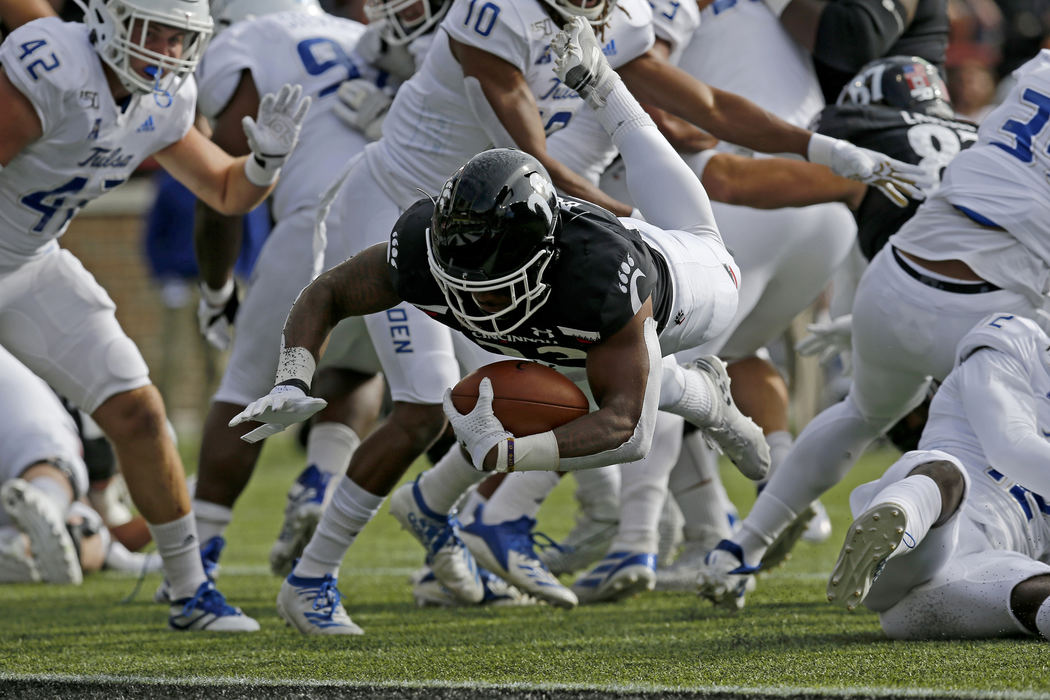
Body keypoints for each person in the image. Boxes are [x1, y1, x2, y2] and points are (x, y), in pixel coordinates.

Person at [233, 15, 778, 629]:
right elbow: (329, 291)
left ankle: (716, 406)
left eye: (491, 289)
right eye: (459, 282)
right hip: (568, 312)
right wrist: (291, 377)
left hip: (691, 281)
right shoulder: (428, 247)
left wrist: (518, 453)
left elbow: (630, 431)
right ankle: (401, 525)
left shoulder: (599, 280)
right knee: (499, 396)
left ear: (542, 263)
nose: (473, 305)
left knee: (598, 389)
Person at [698, 49, 1050, 610]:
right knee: (1006, 451)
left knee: (860, 413)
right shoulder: (961, 122)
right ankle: (957, 536)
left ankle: (741, 547)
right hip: (987, 312)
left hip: (892, 284)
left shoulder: (1036, 73)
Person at [0, 0, 311, 630]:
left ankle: (188, 589)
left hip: (28, 262)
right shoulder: (52, 66)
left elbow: (224, 190)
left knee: (138, 410)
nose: (169, 53)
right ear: (109, 18)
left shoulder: (165, 99)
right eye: (158, 34)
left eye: (181, 39)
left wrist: (264, 163)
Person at [184, 0, 394, 591]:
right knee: (359, 360)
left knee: (246, 385)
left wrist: (216, 286)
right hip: (410, 222)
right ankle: (322, 478)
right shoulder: (359, 33)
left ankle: (196, 558)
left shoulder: (245, 40)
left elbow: (225, 181)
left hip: (319, 220)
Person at [827, 312, 1050, 640]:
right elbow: (1011, 445)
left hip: (962, 579)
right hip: (952, 517)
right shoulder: (1014, 342)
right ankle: (902, 521)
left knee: (1029, 590)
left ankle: (897, 532)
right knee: (946, 474)